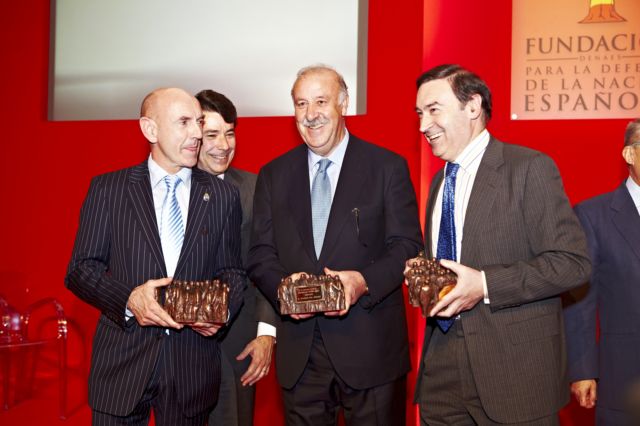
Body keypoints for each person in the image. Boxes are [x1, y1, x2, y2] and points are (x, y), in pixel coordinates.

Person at [410, 64, 591, 425]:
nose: (423, 125)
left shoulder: (529, 168)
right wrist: (424, 271)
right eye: (419, 113)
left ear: (473, 106)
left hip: (514, 373)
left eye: (433, 110)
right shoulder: (440, 182)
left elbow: (572, 264)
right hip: (440, 368)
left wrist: (485, 284)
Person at [247, 65, 422, 425]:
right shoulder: (273, 175)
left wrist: (363, 282)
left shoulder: (387, 167)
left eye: (321, 102)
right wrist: (283, 289)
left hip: (371, 349)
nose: (310, 114)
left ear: (344, 103)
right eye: (301, 104)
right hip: (300, 355)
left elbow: (406, 246)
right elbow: (260, 254)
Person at [65, 88, 245, 425]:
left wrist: (221, 312)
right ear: (150, 129)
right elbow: (81, 269)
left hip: (191, 367)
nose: (196, 133)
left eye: (198, 122)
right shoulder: (109, 189)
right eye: (184, 122)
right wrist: (129, 299)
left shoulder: (223, 195)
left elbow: (232, 272)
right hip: (121, 364)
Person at [195, 89, 278, 426]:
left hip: (237, 345)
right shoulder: (168, 190)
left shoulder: (255, 189)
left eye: (229, 134)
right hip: (176, 350)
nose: (223, 145)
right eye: (212, 134)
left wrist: (266, 333)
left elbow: (268, 266)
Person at [564, 118, 640, 425]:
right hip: (626, 373)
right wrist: (582, 369)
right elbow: (580, 299)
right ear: (629, 154)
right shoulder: (593, 215)